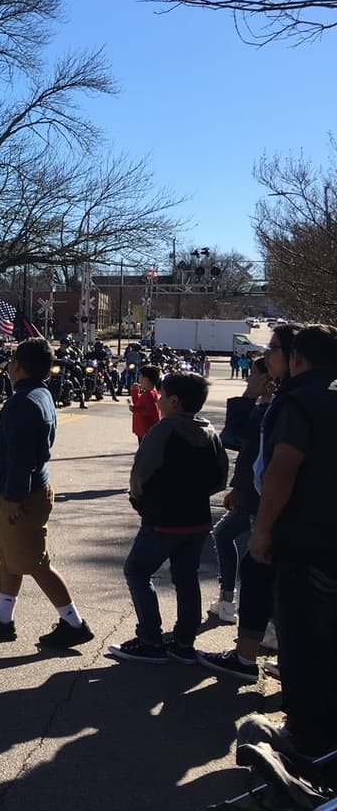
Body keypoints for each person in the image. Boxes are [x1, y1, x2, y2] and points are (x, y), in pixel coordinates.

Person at [0, 337, 94, 649]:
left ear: (18, 366)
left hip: (22, 496)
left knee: (35, 562)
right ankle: (3, 619)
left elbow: (22, 457)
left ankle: (74, 623)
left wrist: (13, 497)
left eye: (11, 362)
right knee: (11, 558)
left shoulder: (23, 402)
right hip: (23, 490)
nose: (8, 367)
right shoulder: (40, 393)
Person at [246, 324, 337, 757]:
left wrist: (263, 530)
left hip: (305, 539)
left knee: (301, 642)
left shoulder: (299, 400)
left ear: (299, 358)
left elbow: (283, 469)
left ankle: (303, 735)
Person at [109, 371, 228, 664]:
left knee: (137, 571)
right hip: (198, 519)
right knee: (186, 579)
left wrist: (139, 502)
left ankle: (150, 637)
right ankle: (184, 642)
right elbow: (220, 478)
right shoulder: (209, 432)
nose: (159, 401)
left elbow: (141, 474)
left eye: (161, 396)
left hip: (163, 519)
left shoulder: (164, 430)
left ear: (173, 401)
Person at [200, 353, 283, 681]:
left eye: (254, 376)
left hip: (260, 499)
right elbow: (246, 452)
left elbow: (235, 437)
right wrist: (236, 487)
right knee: (225, 537)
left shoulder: (276, 406)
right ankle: (227, 601)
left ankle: (265, 633)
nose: (248, 380)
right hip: (249, 492)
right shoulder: (270, 405)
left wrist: (251, 399)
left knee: (260, 568)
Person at [128, 365, 162, 446]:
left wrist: (135, 409)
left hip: (146, 429)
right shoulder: (148, 393)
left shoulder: (149, 394)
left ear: (146, 379)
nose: (139, 380)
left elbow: (151, 411)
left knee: (145, 451)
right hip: (143, 429)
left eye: (140, 377)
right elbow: (138, 403)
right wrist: (135, 391)